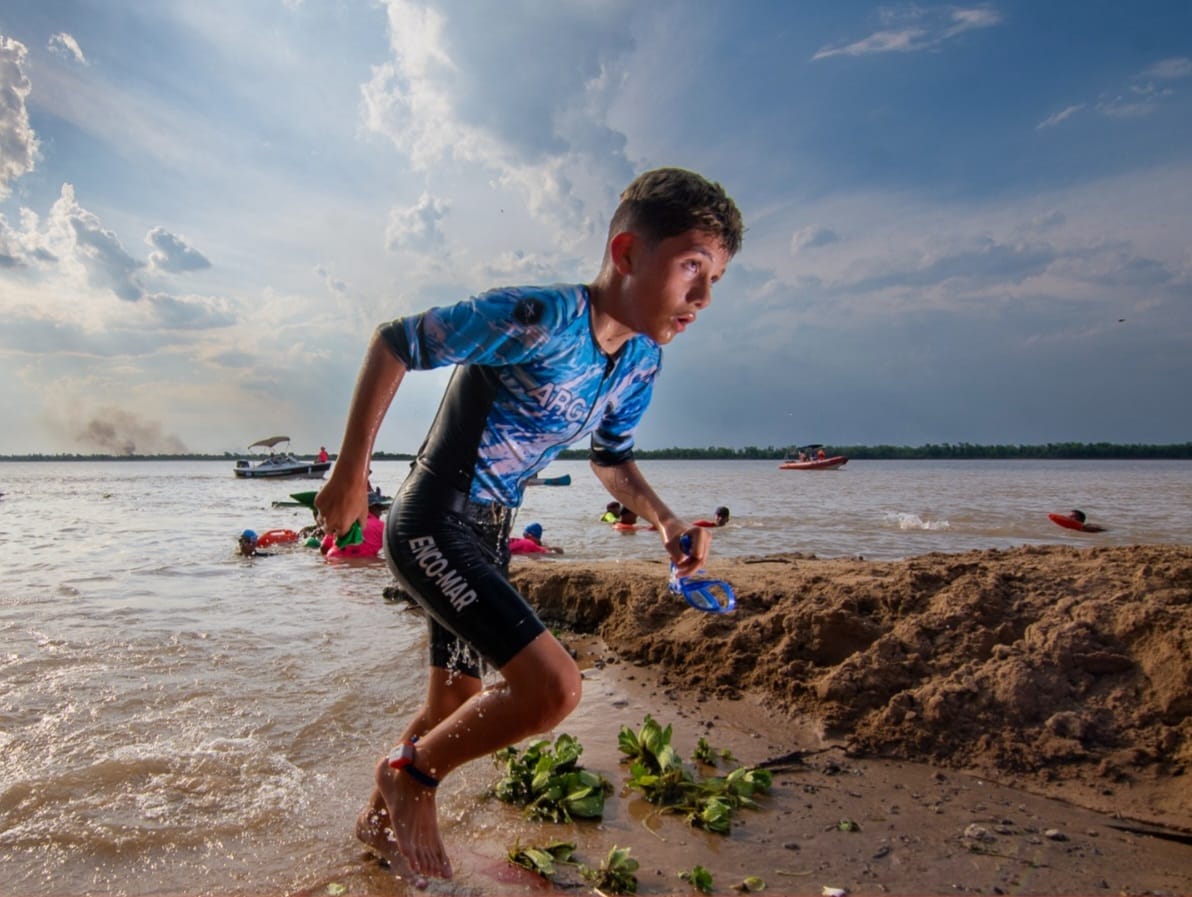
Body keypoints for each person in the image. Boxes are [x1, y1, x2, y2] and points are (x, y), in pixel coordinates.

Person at [315, 166, 743, 880]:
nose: (701, 297)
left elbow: (612, 459)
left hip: (484, 532)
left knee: (456, 703)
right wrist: (351, 471)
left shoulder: (639, 360)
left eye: (715, 280)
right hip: (431, 522)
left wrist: (665, 520)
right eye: (691, 267)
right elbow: (396, 340)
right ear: (629, 252)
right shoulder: (541, 318)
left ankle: (375, 827)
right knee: (554, 688)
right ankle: (409, 780)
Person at [321, 501, 386, 560]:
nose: (380, 513)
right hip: (363, 560)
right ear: (369, 508)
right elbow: (393, 548)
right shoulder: (381, 526)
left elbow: (324, 547)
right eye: (378, 509)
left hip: (335, 558)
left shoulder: (340, 520)